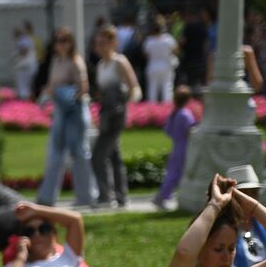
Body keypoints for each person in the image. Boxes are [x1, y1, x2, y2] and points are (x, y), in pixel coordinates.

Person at [36, 29, 97, 208]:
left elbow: (84, 88)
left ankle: (87, 195)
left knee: (79, 152)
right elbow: (51, 85)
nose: (60, 44)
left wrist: (66, 94)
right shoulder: (56, 61)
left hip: (75, 111)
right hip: (60, 111)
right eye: (57, 41)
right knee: (55, 154)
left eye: (64, 40)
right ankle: (47, 197)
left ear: (71, 42)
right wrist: (47, 95)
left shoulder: (75, 61)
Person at [91, 26, 142, 209]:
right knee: (114, 156)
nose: (99, 47)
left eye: (103, 43)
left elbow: (134, 87)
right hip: (106, 114)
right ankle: (121, 196)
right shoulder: (100, 65)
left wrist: (128, 104)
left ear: (113, 43)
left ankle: (106, 196)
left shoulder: (119, 61)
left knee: (98, 156)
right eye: (97, 43)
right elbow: (100, 94)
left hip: (117, 114)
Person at [153, 86, 197, 212]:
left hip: (176, 146)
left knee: (172, 173)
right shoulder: (185, 114)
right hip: (185, 147)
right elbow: (191, 131)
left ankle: (164, 195)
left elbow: (168, 131)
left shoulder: (175, 113)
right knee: (176, 174)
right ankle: (162, 197)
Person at [142, 16, 179, 104]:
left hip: (153, 66)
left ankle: (152, 109)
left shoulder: (149, 40)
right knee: (167, 88)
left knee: (152, 88)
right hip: (166, 65)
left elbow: (146, 54)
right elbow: (176, 50)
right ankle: (167, 108)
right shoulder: (168, 39)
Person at [13, 24, 39, 101]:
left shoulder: (23, 40)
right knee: (25, 84)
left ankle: (25, 100)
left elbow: (25, 51)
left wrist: (17, 53)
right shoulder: (25, 39)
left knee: (25, 84)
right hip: (27, 65)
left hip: (26, 66)